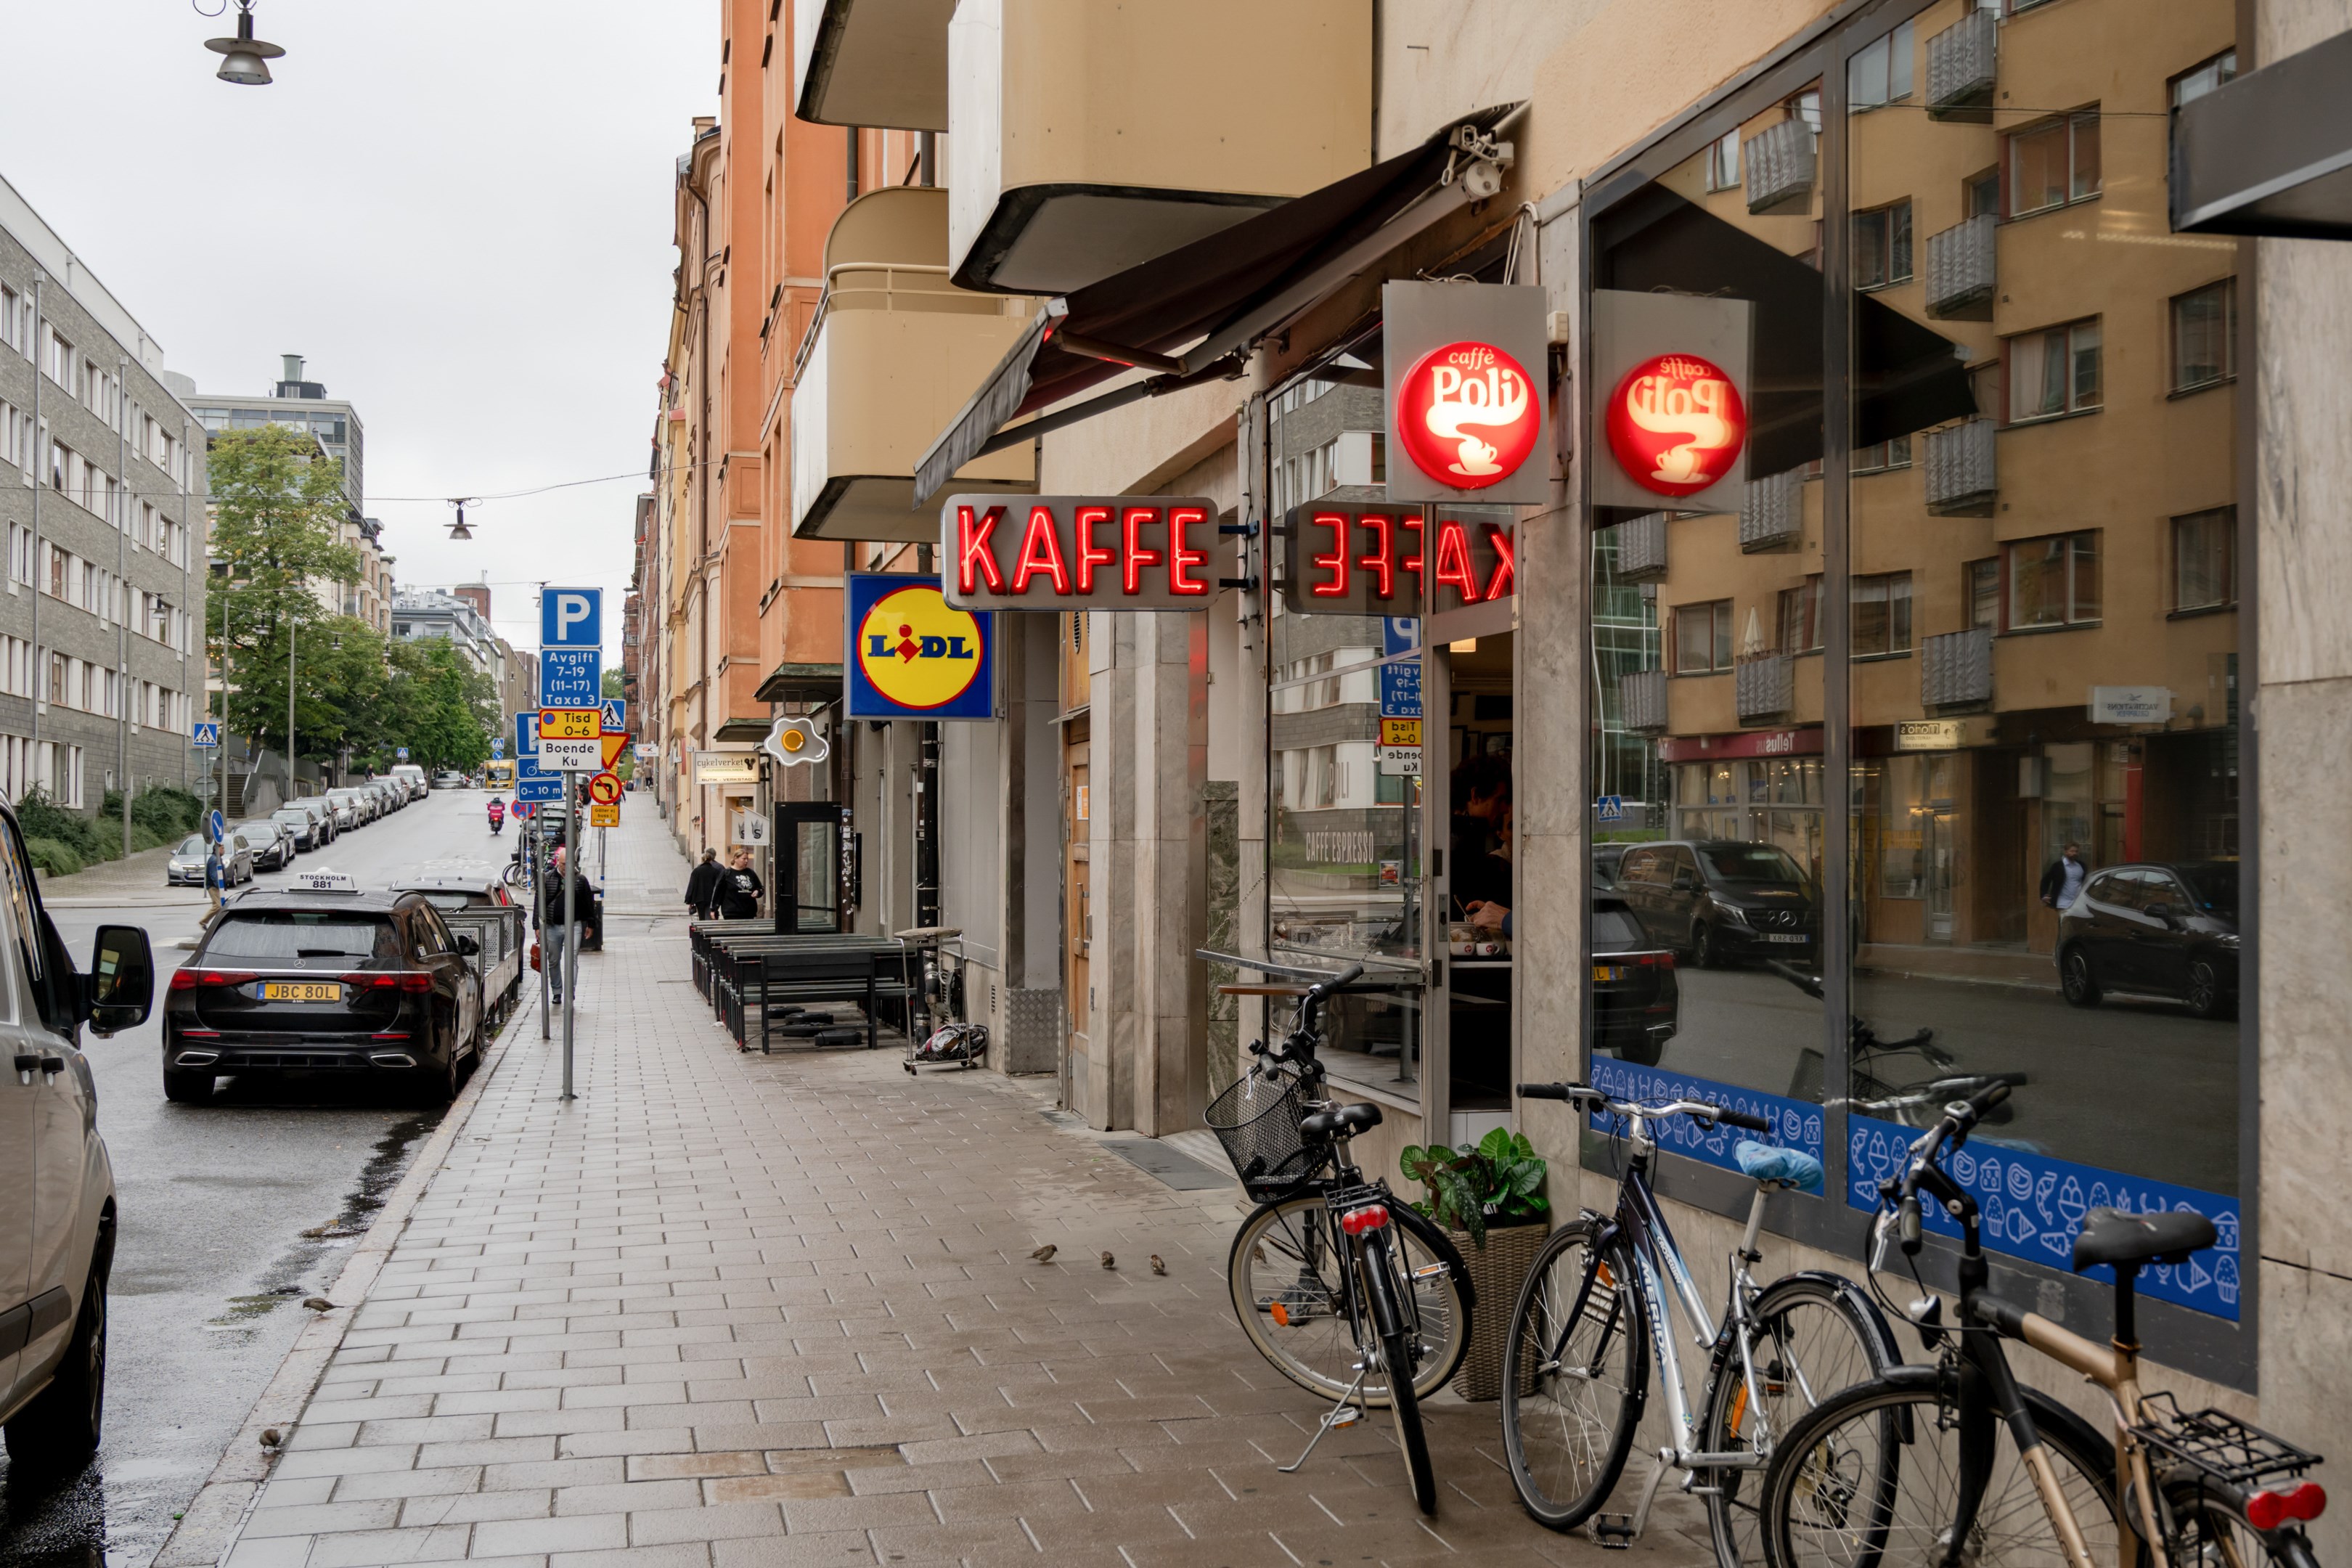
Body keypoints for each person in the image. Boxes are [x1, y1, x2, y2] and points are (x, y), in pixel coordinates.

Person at [2040, 841, 2089, 913]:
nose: (2074, 853)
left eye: (2076, 851)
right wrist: (2043, 895)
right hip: (2063, 903)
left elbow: (2085, 881)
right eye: (2072, 851)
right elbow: (2046, 880)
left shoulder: (2081, 866)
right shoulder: (2058, 866)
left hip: (2078, 902)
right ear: (2066, 852)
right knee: (2065, 923)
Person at [719, 849, 764, 920]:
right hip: (732, 913)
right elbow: (718, 891)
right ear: (736, 858)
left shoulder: (750, 873)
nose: (746, 861)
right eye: (744, 859)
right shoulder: (727, 873)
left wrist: (758, 891)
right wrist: (714, 909)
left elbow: (760, 887)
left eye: (747, 859)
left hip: (748, 912)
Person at [684, 847, 723, 920]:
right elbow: (719, 886)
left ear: (703, 860)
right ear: (711, 859)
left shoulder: (697, 871)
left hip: (699, 899)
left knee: (701, 918)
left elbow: (692, 886)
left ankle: (702, 930)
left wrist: (689, 900)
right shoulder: (716, 871)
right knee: (710, 918)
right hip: (711, 898)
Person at [204, 837, 227, 919]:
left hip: (215, 886)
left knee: (217, 906)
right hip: (213, 887)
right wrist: (220, 886)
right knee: (219, 906)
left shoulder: (217, 858)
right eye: (222, 848)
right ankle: (203, 922)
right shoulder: (214, 860)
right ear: (217, 849)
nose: (224, 850)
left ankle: (216, 922)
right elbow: (214, 875)